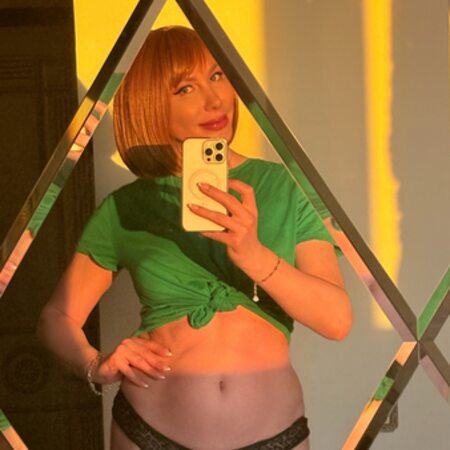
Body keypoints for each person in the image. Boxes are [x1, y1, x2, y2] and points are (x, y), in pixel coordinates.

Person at [37, 26, 352, 450]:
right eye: (185, 88)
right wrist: (96, 365)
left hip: (275, 435)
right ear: (149, 103)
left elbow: (337, 321)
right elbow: (56, 318)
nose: (214, 99)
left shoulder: (286, 187)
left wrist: (254, 255)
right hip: (148, 432)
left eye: (217, 76)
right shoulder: (125, 207)